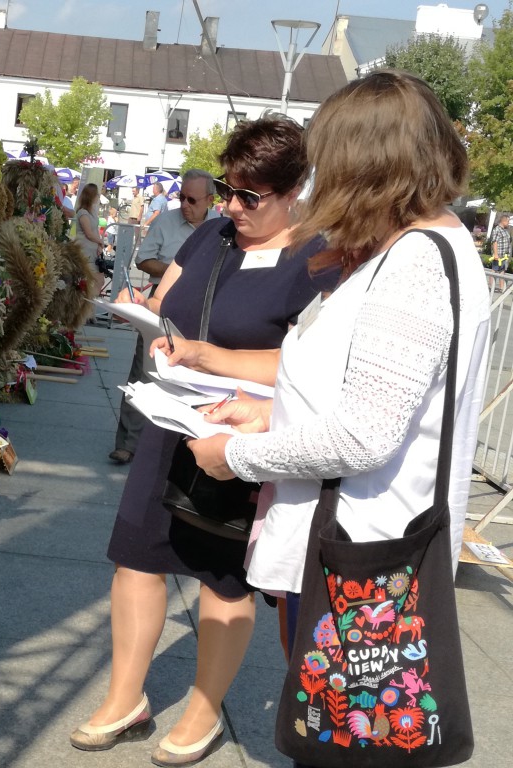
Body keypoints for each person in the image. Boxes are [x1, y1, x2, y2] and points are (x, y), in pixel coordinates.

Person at [177, 73, 490, 766]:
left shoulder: (414, 263)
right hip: (361, 539)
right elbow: (371, 402)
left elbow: (364, 434)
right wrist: (270, 412)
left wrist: (237, 455)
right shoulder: (422, 247)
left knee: (343, 744)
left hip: (363, 552)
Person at [71, 117, 332, 766]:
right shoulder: (213, 235)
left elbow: (312, 367)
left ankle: (203, 709)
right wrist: (154, 325)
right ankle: (125, 698)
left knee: (225, 579)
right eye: (226, 189)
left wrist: (212, 360)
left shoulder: (318, 259)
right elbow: (168, 300)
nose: (231, 207)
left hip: (242, 435)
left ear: (294, 190)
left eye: (250, 196)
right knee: (136, 556)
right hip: (171, 420)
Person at [108, 169, 219, 465]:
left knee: (192, 378)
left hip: (204, 307)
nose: (185, 204)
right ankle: (127, 444)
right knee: (144, 372)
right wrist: (174, 269)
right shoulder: (167, 221)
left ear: (210, 199)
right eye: (182, 197)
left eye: (192, 199)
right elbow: (143, 259)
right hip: (162, 303)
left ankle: (177, 448)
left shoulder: (223, 227)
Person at [74, 182, 106, 292]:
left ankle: (91, 302)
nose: (98, 197)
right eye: (96, 194)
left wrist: (99, 245)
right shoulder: (83, 213)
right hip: (85, 249)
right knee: (91, 279)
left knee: (99, 279)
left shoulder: (92, 211)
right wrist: (100, 241)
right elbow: (88, 233)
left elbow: (95, 231)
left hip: (93, 250)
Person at [491, 213, 510, 277]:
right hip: (498, 255)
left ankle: (501, 287)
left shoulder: (505, 230)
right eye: (508, 221)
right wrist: (496, 254)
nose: (508, 223)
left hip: (504, 256)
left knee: (502, 273)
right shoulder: (497, 229)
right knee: (494, 271)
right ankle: (491, 287)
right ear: (503, 221)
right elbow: (495, 242)